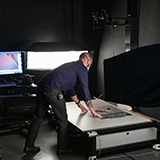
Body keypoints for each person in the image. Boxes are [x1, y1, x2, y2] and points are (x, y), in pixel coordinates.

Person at [23, 52, 103, 155]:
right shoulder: (82, 69)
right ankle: (62, 148)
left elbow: (69, 87)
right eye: (90, 63)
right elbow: (85, 88)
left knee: (37, 118)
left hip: (41, 87)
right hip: (53, 91)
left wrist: (78, 103)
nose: (89, 66)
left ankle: (29, 146)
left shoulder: (71, 66)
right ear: (87, 61)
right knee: (63, 120)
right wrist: (92, 109)